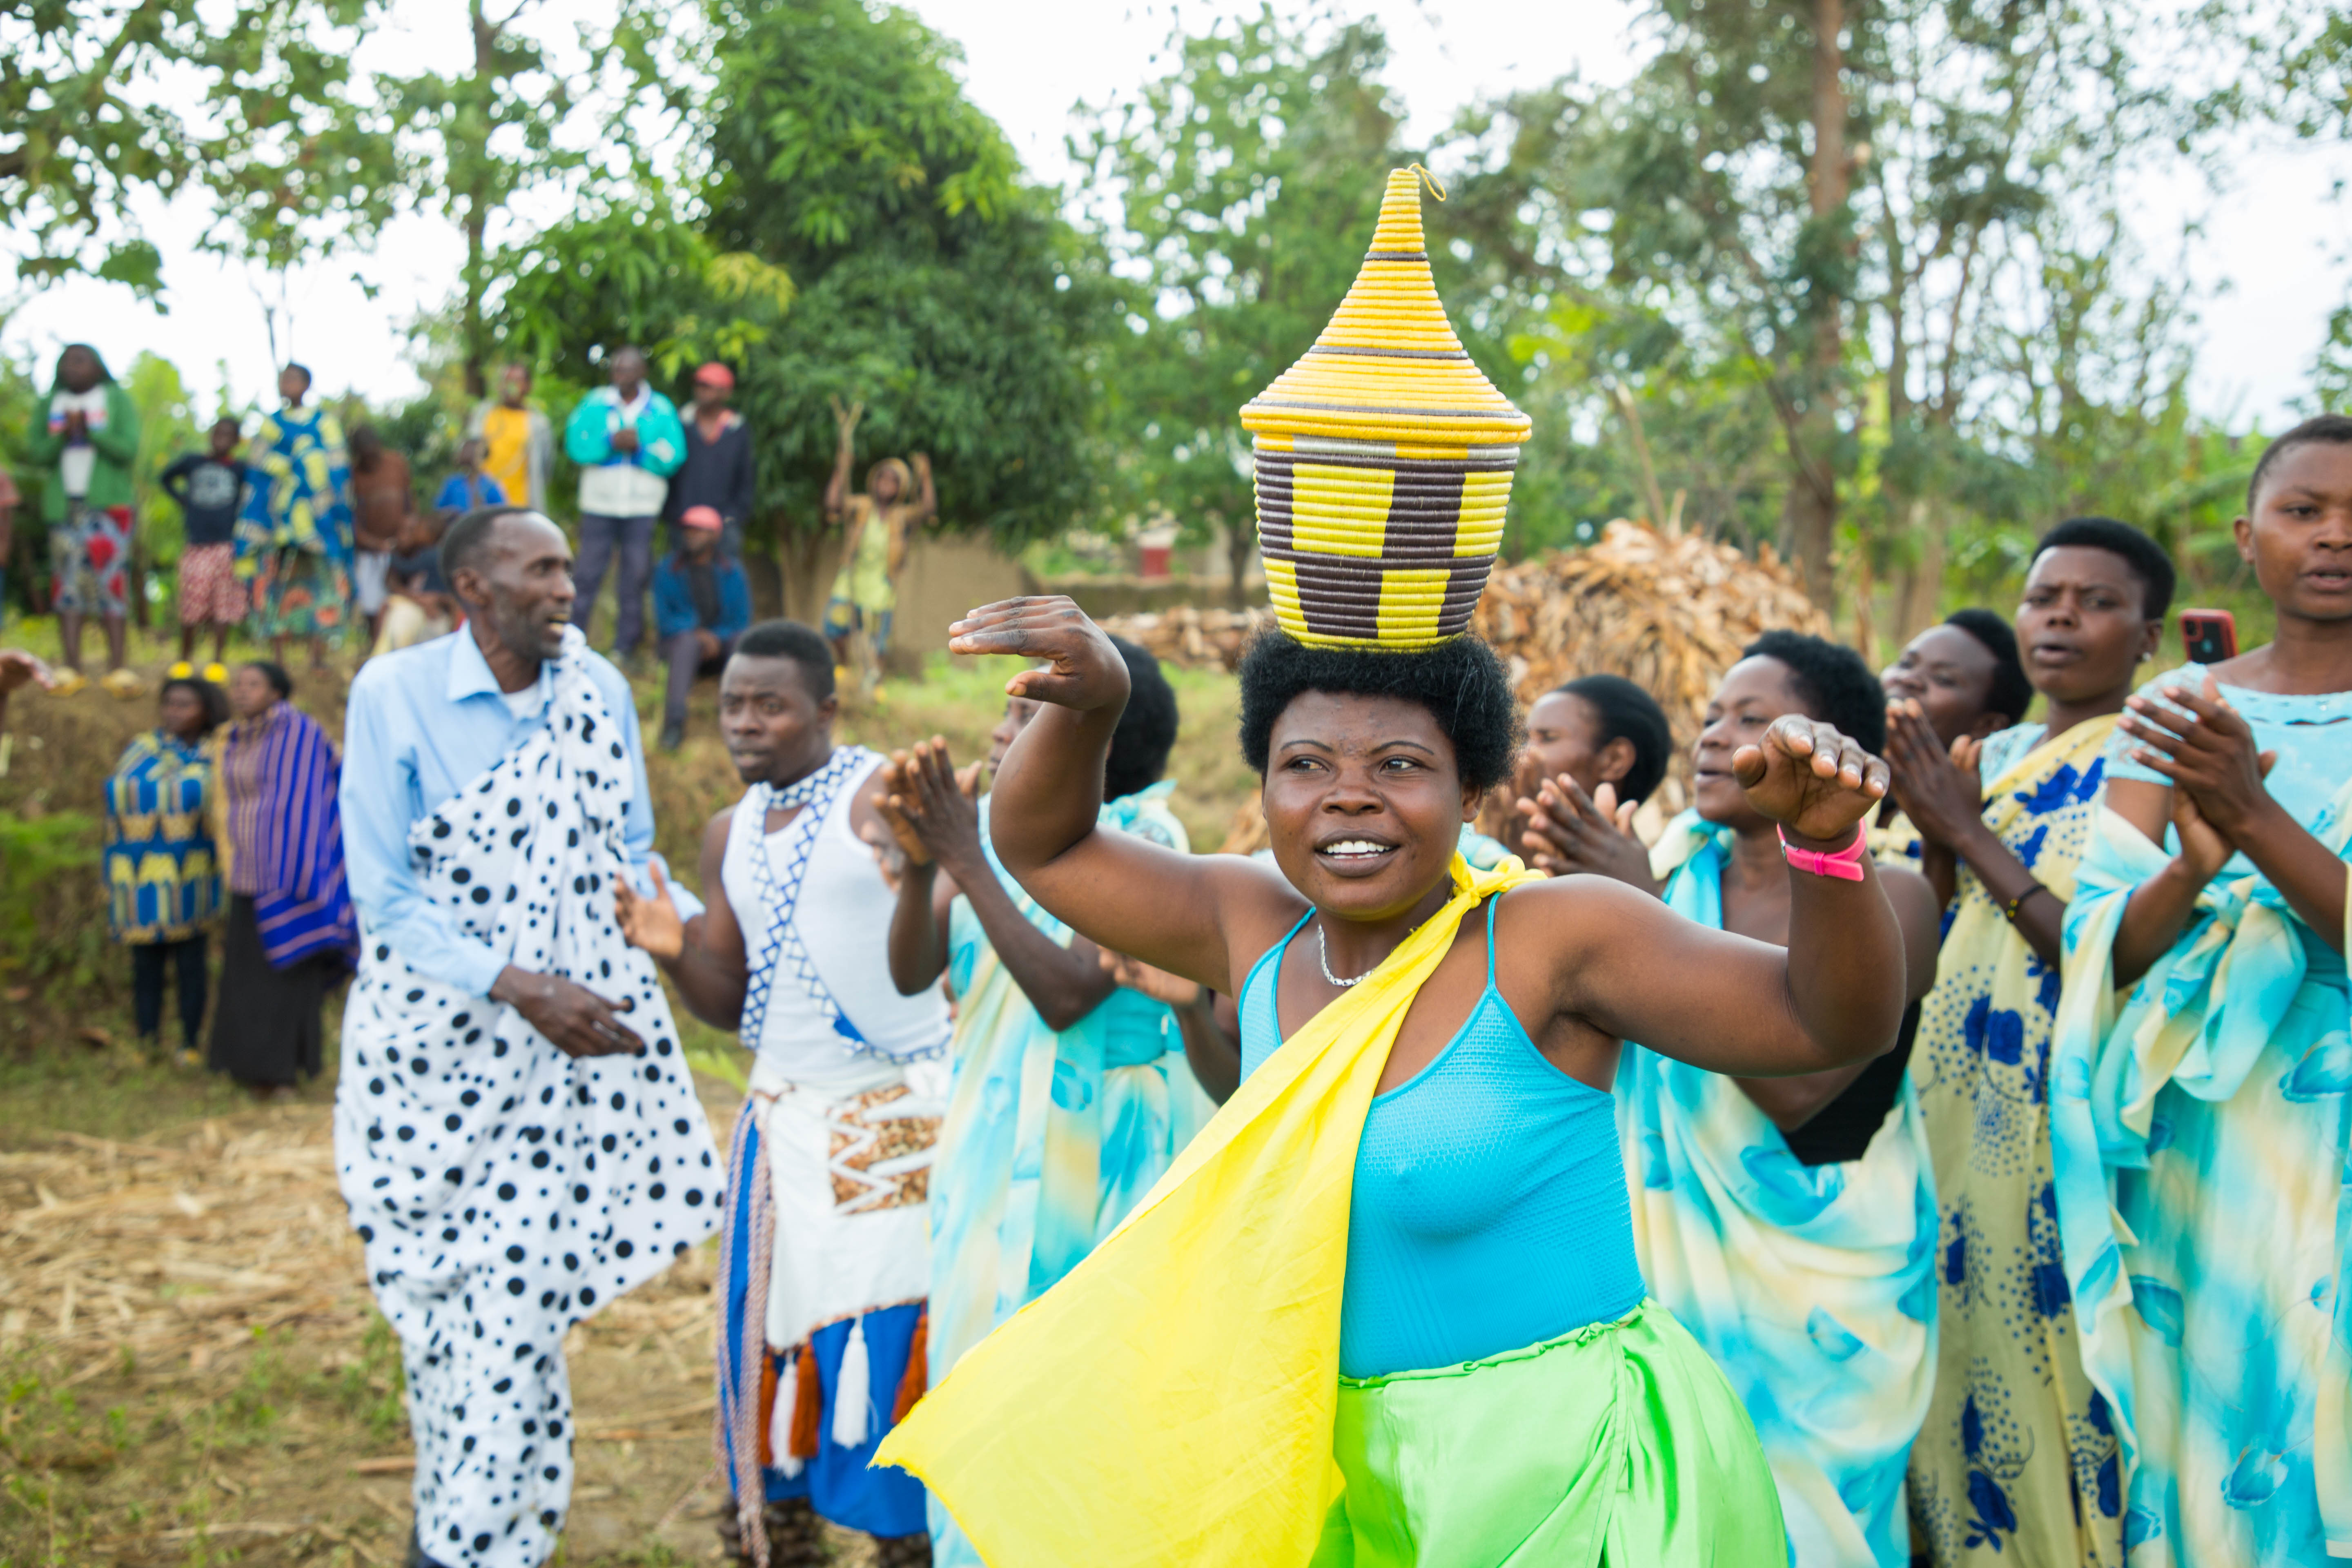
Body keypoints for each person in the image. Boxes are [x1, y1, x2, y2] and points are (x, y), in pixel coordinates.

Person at [879, 597, 1915, 1567]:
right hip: (1332, 1466)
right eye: (1304, 764)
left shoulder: (1552, 937)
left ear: (1470, 793)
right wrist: (1094, 699)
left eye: (1399, 763)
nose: (1347, 794)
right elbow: (1042, 843)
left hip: (1559, 1472)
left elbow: (1827, 1021)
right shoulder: (1254, 925)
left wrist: (1824, 848)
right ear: (1263, 789)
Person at [336, 503, 722, 1568]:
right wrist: (517, 984)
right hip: (430, 1064)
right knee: (446, 1330)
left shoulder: (596, 693)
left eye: (569, 570)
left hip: (555, 1075)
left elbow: (628, 855)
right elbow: (387, 900)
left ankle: (459, 1547)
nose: (567, 588)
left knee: (513, 1313)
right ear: (474, 590)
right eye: (541, 571)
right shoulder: (394, 696)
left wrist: (718, 934)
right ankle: (466, 1518)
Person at [2051, 416, 2352, 1566]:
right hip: (2210, 1145)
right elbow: (2104, 951)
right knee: (2222, 1427)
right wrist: (2193, 865)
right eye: (2303, 511)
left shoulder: (2213, 752)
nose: (2333, 538)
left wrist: (2253, 814)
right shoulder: (2174, 711)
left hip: (2340, 1122)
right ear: (2247, 538)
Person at [1577, 633, 1943, 1568]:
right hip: (1664, 1279)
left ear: (1829, 749)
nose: (1711, 738)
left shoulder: (1892, 896)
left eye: (1749, 718)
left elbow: (1803, 1085)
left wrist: (1643, 919)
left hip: (1826, 1303)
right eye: (1708, 718)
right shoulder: (1665, 885)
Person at [612, 619, 947, 1568]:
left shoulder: (877, 796)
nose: (744, 725)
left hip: (894, 1119)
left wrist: (919, 858)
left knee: (893, 1332)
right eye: (730, 706)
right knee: (769, 1332)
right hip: (783, 1125)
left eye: (770, 705)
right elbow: (731, 1000)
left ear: (827, 711)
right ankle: (781, 1533)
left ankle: (907, 1542)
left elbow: (928, 922)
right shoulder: (730, 831)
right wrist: (671, 947)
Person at [873, 637, 1212, 1568]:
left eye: (1023, 717)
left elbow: (1068, 992)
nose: (995, 729)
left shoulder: (1145, 840)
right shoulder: (988, 832)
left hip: (1104, 1159)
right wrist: (918, 863)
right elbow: (912, 971)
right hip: (990, 1150)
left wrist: (961, 855)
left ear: (1093, 743)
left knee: (1084, 1406)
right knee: (981, 1386)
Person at [1892, 519, 2171, 1568]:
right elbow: (1933, 915)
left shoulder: (2152, 749)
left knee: (2047, 1337)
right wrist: (1936, 830)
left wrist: (1962, 827)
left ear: (2145, 636)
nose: (2059, 616)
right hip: (1949, 1081)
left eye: (2093, 601)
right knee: (1950, 1328)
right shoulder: (1984, 755)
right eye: (2042, 595)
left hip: (2061, 1091)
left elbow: (2106, 948)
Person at [210, 659, 356, 1092]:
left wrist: (302, 863)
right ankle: (243, 1068)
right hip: (247, 874)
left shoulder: (301, 733)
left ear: (277, 692)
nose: (241, 692)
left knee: (288, 978)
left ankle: (284, 1071)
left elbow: (311, 798)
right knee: (246, 978)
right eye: (238, 684)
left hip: (296, 877)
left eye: (252, 684)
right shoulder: (232, 739)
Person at [105, 675, 228, 1065]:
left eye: (185, 705)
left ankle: (190, 1042)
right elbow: (120, 790)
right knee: (146, 967)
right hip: (141, 879)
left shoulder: (218, 750)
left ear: (205, 711)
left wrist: (176, 791)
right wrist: (186, 790)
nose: (174, 712)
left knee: (192, 965)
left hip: (194, 875)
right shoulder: (143, 748)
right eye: (169, 704)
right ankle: (147, 1041)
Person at [1870, 612, 2031, 869]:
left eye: (1943, 679)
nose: (1907, 679)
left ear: (1988, 726)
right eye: (1905, 663)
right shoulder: (1831, 765)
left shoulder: (1987, 827)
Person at [25, 344, 140, 695]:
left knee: (111, 582)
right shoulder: (51, 403)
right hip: (66, 507)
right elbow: (37, 453)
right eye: (64, 361)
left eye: (80, 360)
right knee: (67, 583)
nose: (70, 367)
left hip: (110, 507)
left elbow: (128, 450)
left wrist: (91, 431)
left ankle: (118, 667)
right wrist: (63, 433)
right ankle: (71, 667)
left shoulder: (115, 398)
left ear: (98, 366)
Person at [564, 345, 686, 662]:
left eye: (628, 370)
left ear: (642, 372)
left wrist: (642, 448)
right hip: (598, 504)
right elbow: (576, 444)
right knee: (587, 573)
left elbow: (674, 455)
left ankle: (625, 649)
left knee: (635, 576)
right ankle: (571, 641)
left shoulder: (660, 408)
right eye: (617, 370)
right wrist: (609, 443)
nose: (621, 376)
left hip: (642, 507)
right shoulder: (595, 403)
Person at [1509, 671, 1677, 886]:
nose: (1521, 755)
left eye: (1548, 738)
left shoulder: (1658, 892)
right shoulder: (1479, 852)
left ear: (1614, 760)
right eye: (1525, 740)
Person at [237, 364, 354, 671]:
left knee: (322, 584)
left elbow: (337, 467)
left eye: (291, 379)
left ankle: (318, 658)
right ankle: (276, 660)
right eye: (281, 379)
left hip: (319, 521)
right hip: (278, 524)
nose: (285, 384)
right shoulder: (270, 425)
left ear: (306, 385)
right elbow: (258, 464)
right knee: (275, 582)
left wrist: (306, 473)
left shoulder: (325, 423)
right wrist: (294, 468)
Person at [822, 398, 934, 695]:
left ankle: (876, 681)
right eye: (882, 477)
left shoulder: (902, 515)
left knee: (878, 637)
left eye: (893, 481)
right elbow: (833, 504)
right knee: (834, 624)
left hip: (881, 581)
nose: (886, 484)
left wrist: (925, 476)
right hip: (853, 575)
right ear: (874, 481)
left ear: (901, 488)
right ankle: (843, 664)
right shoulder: (861, 506)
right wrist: (840, 468)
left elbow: (927, 509)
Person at [650, 505, 752, 751]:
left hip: (721, 649)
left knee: (742, 641)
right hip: (680, 648)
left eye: (699, 531)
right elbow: (664, 620)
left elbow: (742, 620)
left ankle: (741, 724)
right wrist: (698, 634)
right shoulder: (667, 569)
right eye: (688, 531)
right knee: (687, 643)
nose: (691, 536)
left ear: (715, 535)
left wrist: (715, 638)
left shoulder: (733, 572)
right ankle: (674, 725)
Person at [161, 417, 252, 666]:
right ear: (210, 435)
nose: (221, 438)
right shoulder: (193, 463)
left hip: (227, 546)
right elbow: (165, 478)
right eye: (217, 433)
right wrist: (181, 499)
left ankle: (217, 662)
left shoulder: (240, 469)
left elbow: (255, 494)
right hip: (196, 545)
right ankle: (184, 661)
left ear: (236, 441)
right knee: (191, 602)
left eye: (228, 434)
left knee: (223, 605)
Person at [666, 362, 757, 560]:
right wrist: (674, 514)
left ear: (726, 393)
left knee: (723, 581)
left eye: (709, 386)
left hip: (724, 525)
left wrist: (734, 517)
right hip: (683, 523)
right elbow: (669, 470)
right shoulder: (680, 423)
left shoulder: (737, 429)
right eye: (699, 385)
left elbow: (746, 477)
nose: (702, 391)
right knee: (681, 581)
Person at [347, 425, 412, 648]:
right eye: (365, 458)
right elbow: (352, 521)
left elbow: (409, 502)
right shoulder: (353, 476)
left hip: (401, 548)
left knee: (402, 599)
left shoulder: (396, 463)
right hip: (370, 552)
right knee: (371, 605)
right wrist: (375, 544)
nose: (372, 462)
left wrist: (407, 534)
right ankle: (373, 647)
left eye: (373, 454)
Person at [467, 364, 555, 513]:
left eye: (517, 381)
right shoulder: (484, 413)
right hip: (484, 506)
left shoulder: (539, 423)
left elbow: (546, 467)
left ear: (528, 386)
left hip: (520, 508)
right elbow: (469, 452)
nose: (511, 385)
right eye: (507, 380)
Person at [371, 511, 457, 658]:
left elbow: (407, 567)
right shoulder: (438, 554)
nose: (415, 534)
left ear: (430, 535)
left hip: (434, 613)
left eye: (417, 530)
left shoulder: (429, 555)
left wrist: (393, 556)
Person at [434, 437, 508, 518]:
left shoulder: (492, 485)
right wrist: (449, 512)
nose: (463, 453)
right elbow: (438, 510)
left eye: (469, 450)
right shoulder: (453, 483)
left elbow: (503, 514)